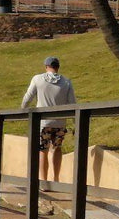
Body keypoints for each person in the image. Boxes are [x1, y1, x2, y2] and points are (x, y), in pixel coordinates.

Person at [21, 56, 78, 186]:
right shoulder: (66, 82)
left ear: (46, 66)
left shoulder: (37, 79)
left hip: (43, 123)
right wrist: (75, 123)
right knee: (57, 149)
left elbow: (28, 96)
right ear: (58, 67)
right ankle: (56, 179)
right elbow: (73, 103)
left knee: (43, 150)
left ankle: (44, 181)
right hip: (60, 123)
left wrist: (22, 110)